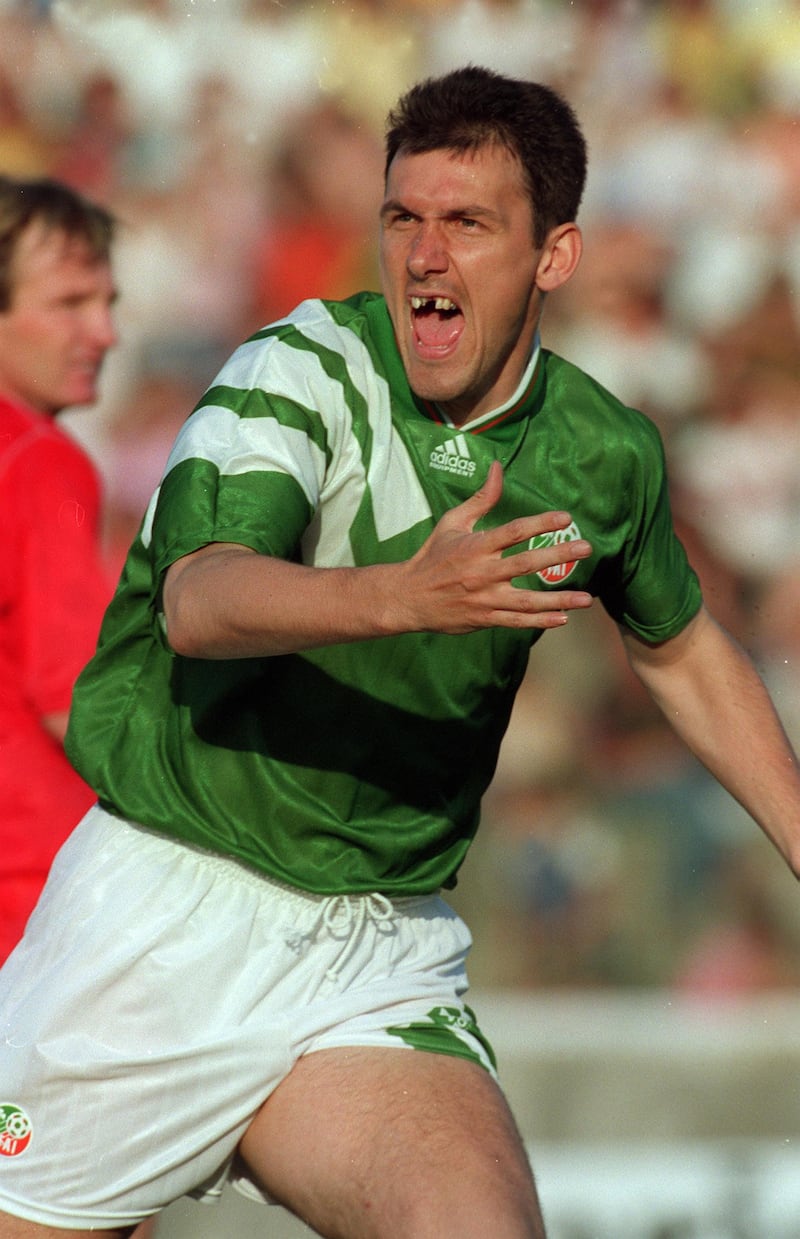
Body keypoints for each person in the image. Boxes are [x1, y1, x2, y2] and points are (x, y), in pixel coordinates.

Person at [1, 65, 799, 1239]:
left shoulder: (601, 451)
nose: (424, 255)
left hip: (376, 942)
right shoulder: (298, 369)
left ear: (554, 257)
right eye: (401, 218)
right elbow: (201, 600)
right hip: (164, 915)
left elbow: (680, 654)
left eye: (466, 224)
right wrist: (398, 595)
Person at [0, 175, 117, 965]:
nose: (105, 332)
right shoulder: (47, 466)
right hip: (35, 904)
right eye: (71, 303)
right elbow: (75, 702)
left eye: (108, 303)